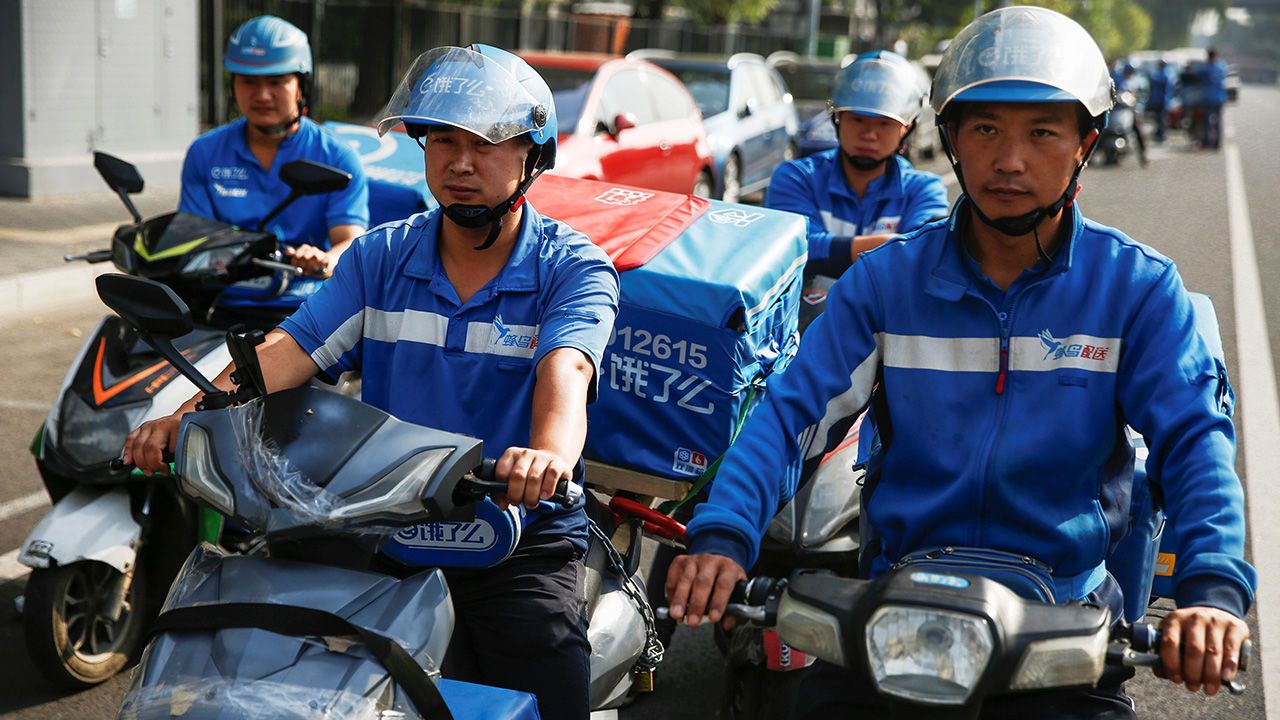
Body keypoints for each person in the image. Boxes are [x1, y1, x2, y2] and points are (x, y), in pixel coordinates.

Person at [665, 7, 1255, 719]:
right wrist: (724, 534)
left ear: (1085, 144)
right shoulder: (885, 284)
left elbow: (1194, 442)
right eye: (985, 130)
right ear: (950, 140)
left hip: (1061, 616)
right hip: (896, 603)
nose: (1010, 160)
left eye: (1042, 132)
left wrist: (1212, 595)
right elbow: (791, 412)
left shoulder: (1138, 289)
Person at [125, 44, 619, 720]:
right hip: (386, 526)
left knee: (547, 677)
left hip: (514, 535)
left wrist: (548, 458)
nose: (461, 162)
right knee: (274, 674)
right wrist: (184, 416)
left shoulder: (573, 268)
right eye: (443, 140)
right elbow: (286, 350)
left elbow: (567, 370)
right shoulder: (380, 257)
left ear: (533, 155)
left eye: (486, 143)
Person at [179, 15, 369, 279]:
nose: (262, 95)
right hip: (221, 300)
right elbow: (191, 238)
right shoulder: (205, 152)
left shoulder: (337, 157)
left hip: (305, 305)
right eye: (249, 81)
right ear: (233, 85)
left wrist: (323, 260)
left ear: (300, 86)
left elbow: (349, 242)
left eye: (276, 81)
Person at [765, 51, 948, 283]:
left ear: (906, 128)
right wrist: (894, 245)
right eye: (858, 119)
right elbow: (791, 250)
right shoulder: (796, 178)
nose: (869, 135)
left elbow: (925, 255)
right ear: (837, 118)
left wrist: (833, 250)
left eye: (884, 123)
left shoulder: (924, 189)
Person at [1199, 49, 1228, 150]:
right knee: (1218, 122)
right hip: (1219, 98)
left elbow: (1197, 76)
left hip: (1208, 98)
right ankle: (1217, 143)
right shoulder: (1221, 68)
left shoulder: (1205, 69)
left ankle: (1206, 143)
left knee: (1206, 121)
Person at [1147, 59, 1175, 143]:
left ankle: (1161, 134)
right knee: (1158, 118)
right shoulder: (1161, 74)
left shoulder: (1165, 75)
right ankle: (1159, 133)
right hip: (1158, 100)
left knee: (1161, 118)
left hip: (1162, 100)